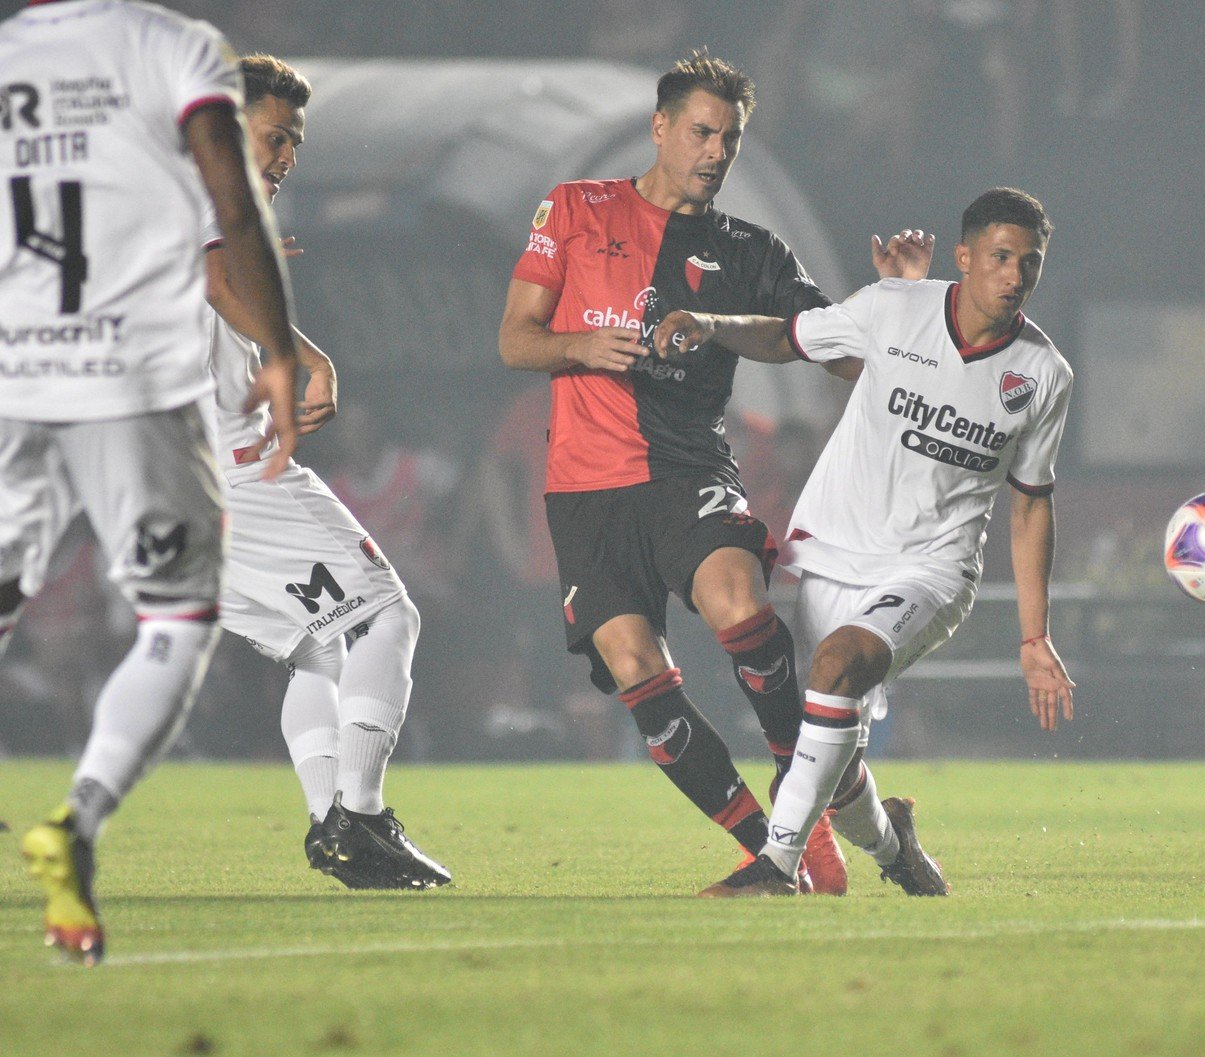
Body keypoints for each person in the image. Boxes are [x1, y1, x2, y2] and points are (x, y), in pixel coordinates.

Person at [497, 49, 931, 893]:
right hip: (583, 491)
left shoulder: (750, 249)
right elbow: (515, 338)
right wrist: (580, 344)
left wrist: (898, 304)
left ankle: (801, 782)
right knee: (632, 667)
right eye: (700, 132)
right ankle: (776, 840)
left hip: (685, 466)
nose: (713, 153)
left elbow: (841, 354)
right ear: (660, 129)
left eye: (728, 140)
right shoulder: (576, 209)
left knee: (735, 600)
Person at [652, 187, 1076, 897]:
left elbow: (1031, 506)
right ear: (966, 257)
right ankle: (895, 845)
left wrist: (1035, 637)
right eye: (1000, 258)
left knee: (838, 664)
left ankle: (775, 865)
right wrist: (709, 321)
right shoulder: (893, 306)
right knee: (829, 746)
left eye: (1028, 264)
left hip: (932, 570)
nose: (1013, 276)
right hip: (831, 551)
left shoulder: (1041, 374)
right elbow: (788, 339)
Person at [2, 0, 299, 964]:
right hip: (132, 375)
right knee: (176, 619)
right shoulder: (172, 45)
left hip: (11, 368)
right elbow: (232, 196)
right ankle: (77, 820)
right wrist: (282, 348)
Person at [200, 55, 449, 888]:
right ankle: (362, 817)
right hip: (236, 480)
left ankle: (329, 826)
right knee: (386, 619)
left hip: (184, 489)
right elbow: (210, 274)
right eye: (274, 136)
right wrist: (299, 354)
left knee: (320, 654)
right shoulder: (205, 198)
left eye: (293, 143)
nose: (284, 157)